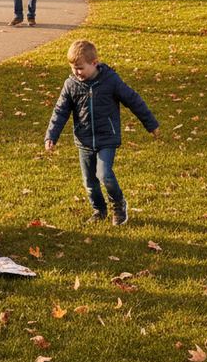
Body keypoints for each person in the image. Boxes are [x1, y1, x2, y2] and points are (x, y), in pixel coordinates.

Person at [44, 40, 160, 225]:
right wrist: (52, 136)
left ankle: (118, 204)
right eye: (73, 68)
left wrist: (151, 124)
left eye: (80, 68)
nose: (77, 72)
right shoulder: (71, 85)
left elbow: (133, 100)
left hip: (107, 137)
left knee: (104, 174)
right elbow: (60, 111)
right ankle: (99, 209)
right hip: (84, 139)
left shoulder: (110, 81)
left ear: (94, 63)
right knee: (90, 182)